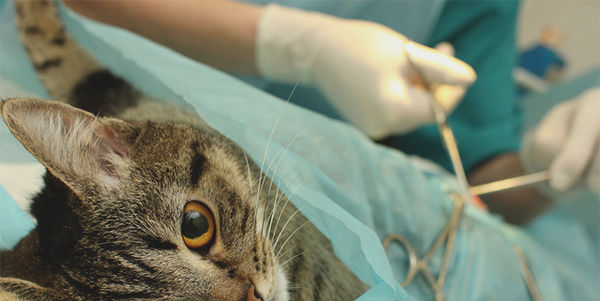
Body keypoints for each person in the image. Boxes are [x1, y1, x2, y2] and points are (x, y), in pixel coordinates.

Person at [64, 0, 599, 225]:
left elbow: (485, 185)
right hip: (69, 104)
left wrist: (546, 164)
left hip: (265, 213)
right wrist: (290, 44)